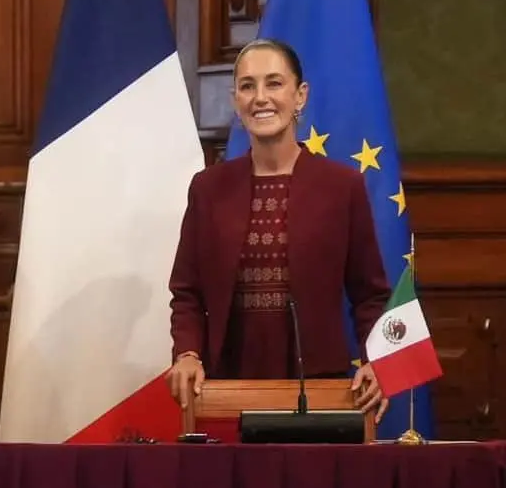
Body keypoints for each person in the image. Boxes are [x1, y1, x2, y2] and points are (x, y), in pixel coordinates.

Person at [166, 39, 392, 422]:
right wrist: (187, 354)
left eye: (274, 83)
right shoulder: (208, 188)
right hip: (226, 386)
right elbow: (187, 292)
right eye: (248, 86)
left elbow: (370, 294)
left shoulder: (341, 187)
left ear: (299, 95)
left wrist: (379, 362)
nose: (260, 98)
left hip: (319, 388)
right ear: (235, 98)